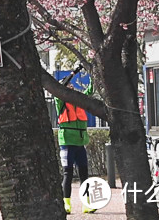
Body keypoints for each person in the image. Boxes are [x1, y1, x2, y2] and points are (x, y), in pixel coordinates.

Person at [56, 65, 95, 214]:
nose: (71, 87)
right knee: (68, 173)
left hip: (80, 142)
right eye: (69, 86)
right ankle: (66, 204)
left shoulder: (79, 100)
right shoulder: (60, 100)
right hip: (66, 141)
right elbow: (63, 85)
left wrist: (92, 74)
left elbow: (90, 91)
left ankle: (87, 204)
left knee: (84, 173)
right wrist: (74, 72)